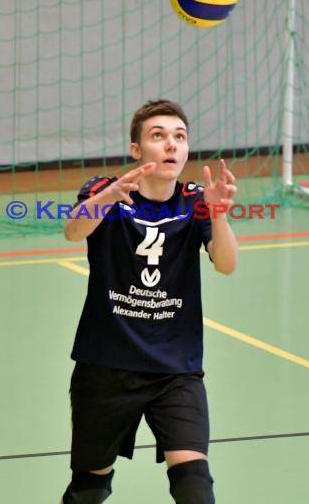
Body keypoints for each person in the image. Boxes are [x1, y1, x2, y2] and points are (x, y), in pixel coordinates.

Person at [61, 99, 238, 504]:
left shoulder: (196, 200)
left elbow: (226, 265)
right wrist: (107, 197)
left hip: (176, 368)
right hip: (107, 364)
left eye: (179, 137)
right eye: (158, 136)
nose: (171, 145)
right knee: (90, 488)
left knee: (194, 486)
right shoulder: (105, 190)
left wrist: (218, 215)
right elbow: (73, 231)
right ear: (137, 150)